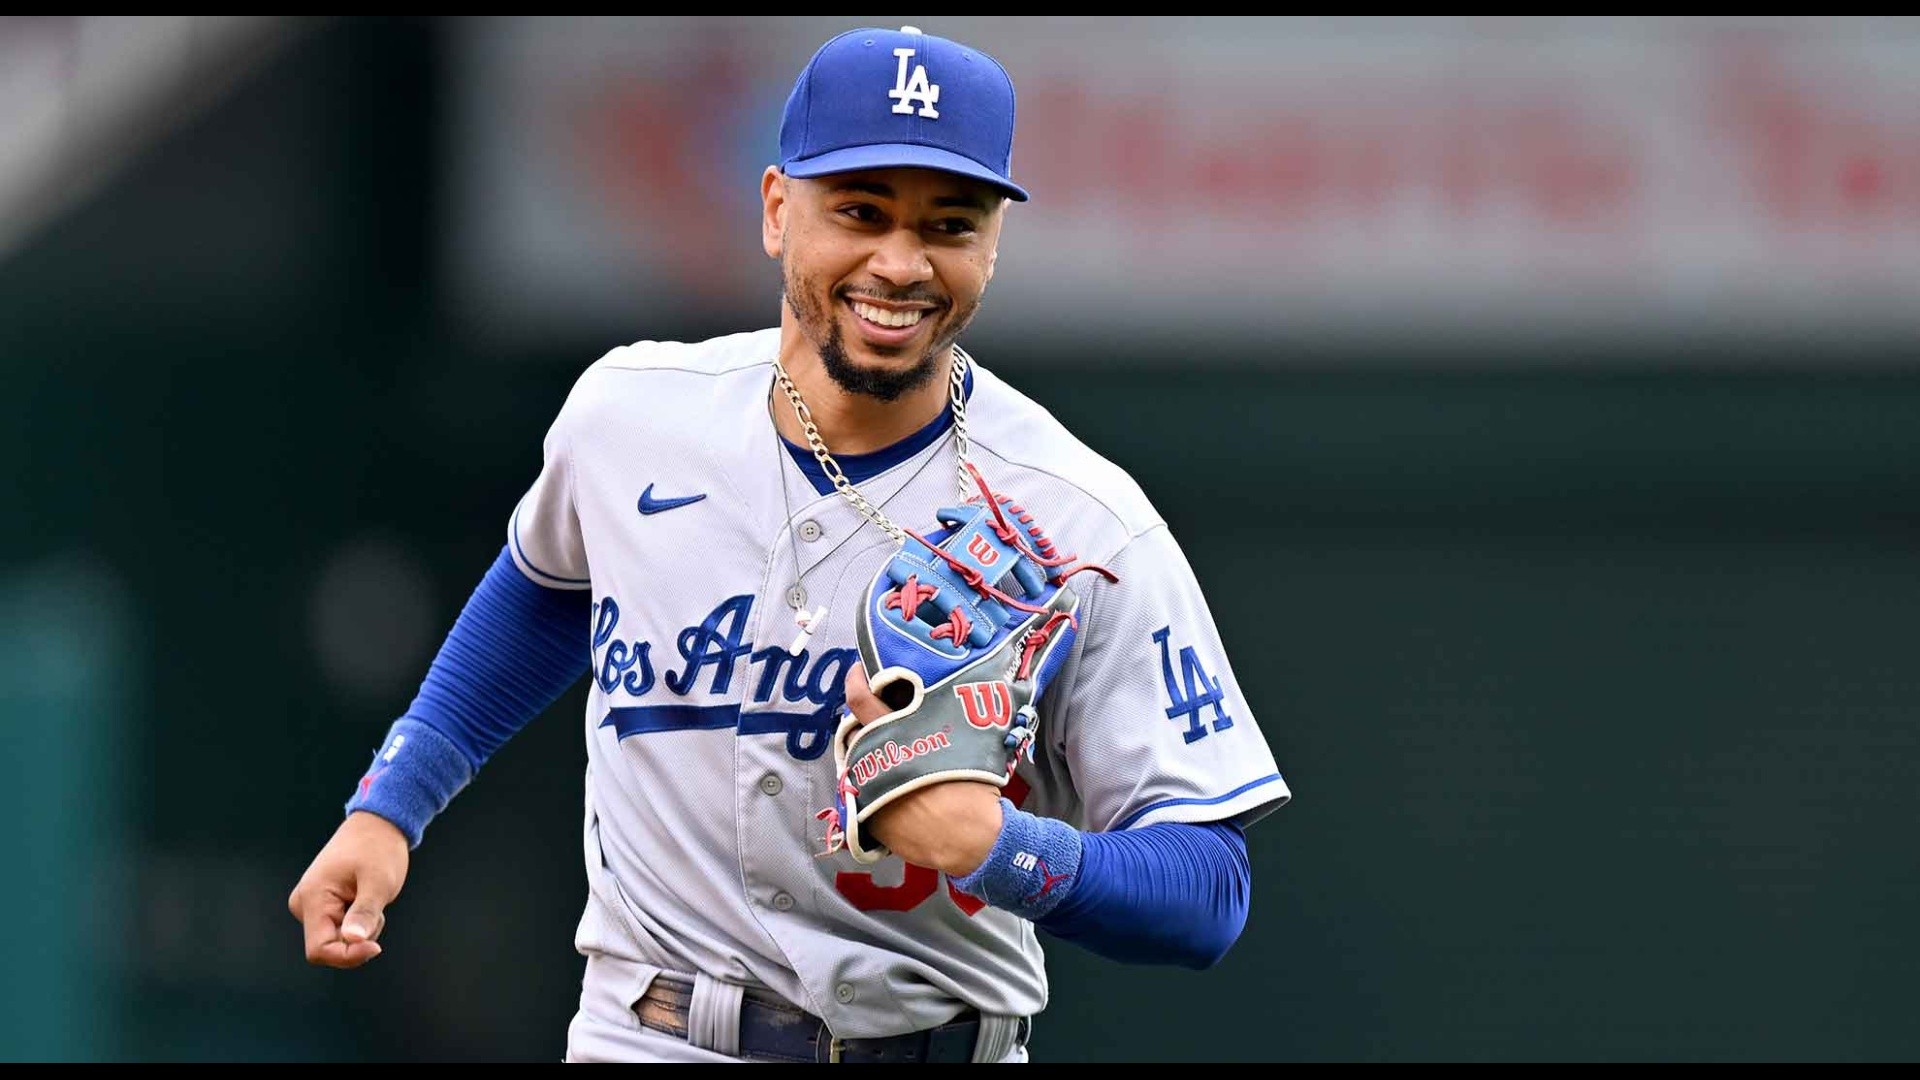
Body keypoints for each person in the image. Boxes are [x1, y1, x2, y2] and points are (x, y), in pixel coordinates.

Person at [288, 24, 1290, 1064]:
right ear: (777, 209)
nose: (900, 263)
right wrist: (391, 806)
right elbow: (548, 591)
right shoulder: (629, 419)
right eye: (859, 212)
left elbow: (1207, 892)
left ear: (993, 240)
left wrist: (998, 846)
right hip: (651, 1035)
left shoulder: (1083, 523)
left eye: (948, 223)